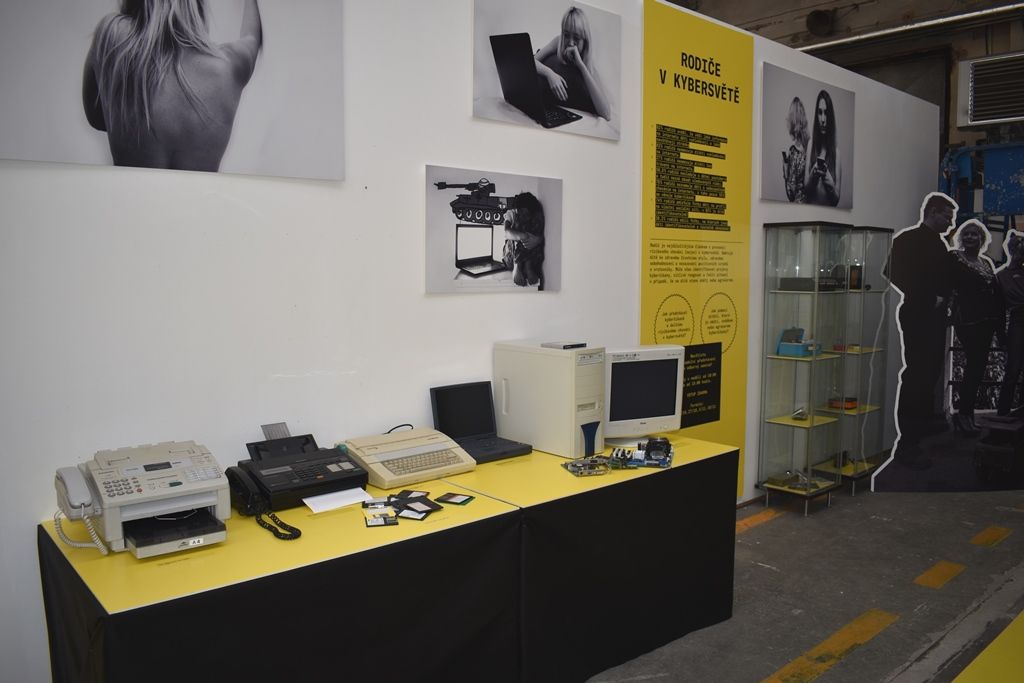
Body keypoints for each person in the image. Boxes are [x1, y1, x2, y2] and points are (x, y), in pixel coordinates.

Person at [83, 0, 263, 172]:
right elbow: (251, 37)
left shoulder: (114, 37)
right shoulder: (229, 67)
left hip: (132, 194)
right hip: (198, 196)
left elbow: (96, 117)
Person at [887, 193, 958, 468]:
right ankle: (907, 443)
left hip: (932, 315)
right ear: (932, 212)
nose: (951, 223)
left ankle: (921, 425)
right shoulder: (908, 240)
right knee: (917, 375)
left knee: (930, 372)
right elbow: (893, 272)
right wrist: (929, 298)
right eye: (947, 217)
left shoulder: (938, 244)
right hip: (918, 313)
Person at [948, 220, 1000, 435]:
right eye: (966, 234)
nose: (969, 237)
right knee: (973, 366)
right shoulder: (955, 258)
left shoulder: (986, 262)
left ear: (982, 239)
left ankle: (967, 414)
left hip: (987, 321)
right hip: (967, 320)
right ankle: (962, 415)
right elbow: (946, 284)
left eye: (974, 234)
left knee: (978, 367)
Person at [533, 6, 611, 120]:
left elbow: (607, 114)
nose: (570, 43)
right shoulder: (558, 42)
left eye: (577, 38)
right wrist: (550, 74)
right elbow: (531, 61)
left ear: (585, 41)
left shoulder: (588, 66)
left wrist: (581, 65)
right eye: (566, 35)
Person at [996, 231, 1024, 416]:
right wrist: (1001, 336)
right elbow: (998, 310)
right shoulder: (1001, 276)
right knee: (1013, 370)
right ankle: (1002, 414)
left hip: (1017, 321)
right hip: (1017, 321)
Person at [804, 90, 841, 206]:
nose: (823, 119)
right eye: (820, 113)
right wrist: (813, 175)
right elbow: (806, 191)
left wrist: (827, 178)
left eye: (826, 113)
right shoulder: (811, 145)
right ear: (816, 115)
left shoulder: (837, 153)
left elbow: (836, 200)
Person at [503, 192, 545, 290]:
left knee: (535, 220)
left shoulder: (533, 216)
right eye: (521, 212)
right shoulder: (512, 213)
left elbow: (538, 233)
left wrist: (537, 240)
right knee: (518, 225)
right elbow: (507, 233)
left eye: (526, 213)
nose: (523, 215)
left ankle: (528, 265)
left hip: (530, 256)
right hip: (510, 256)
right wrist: (524, 236)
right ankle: (518, 265)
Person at [782, 97, 809, 203]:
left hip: (798, 207)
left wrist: (785, 170)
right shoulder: (810, 147)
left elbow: (791, 194)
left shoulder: (793, 151)